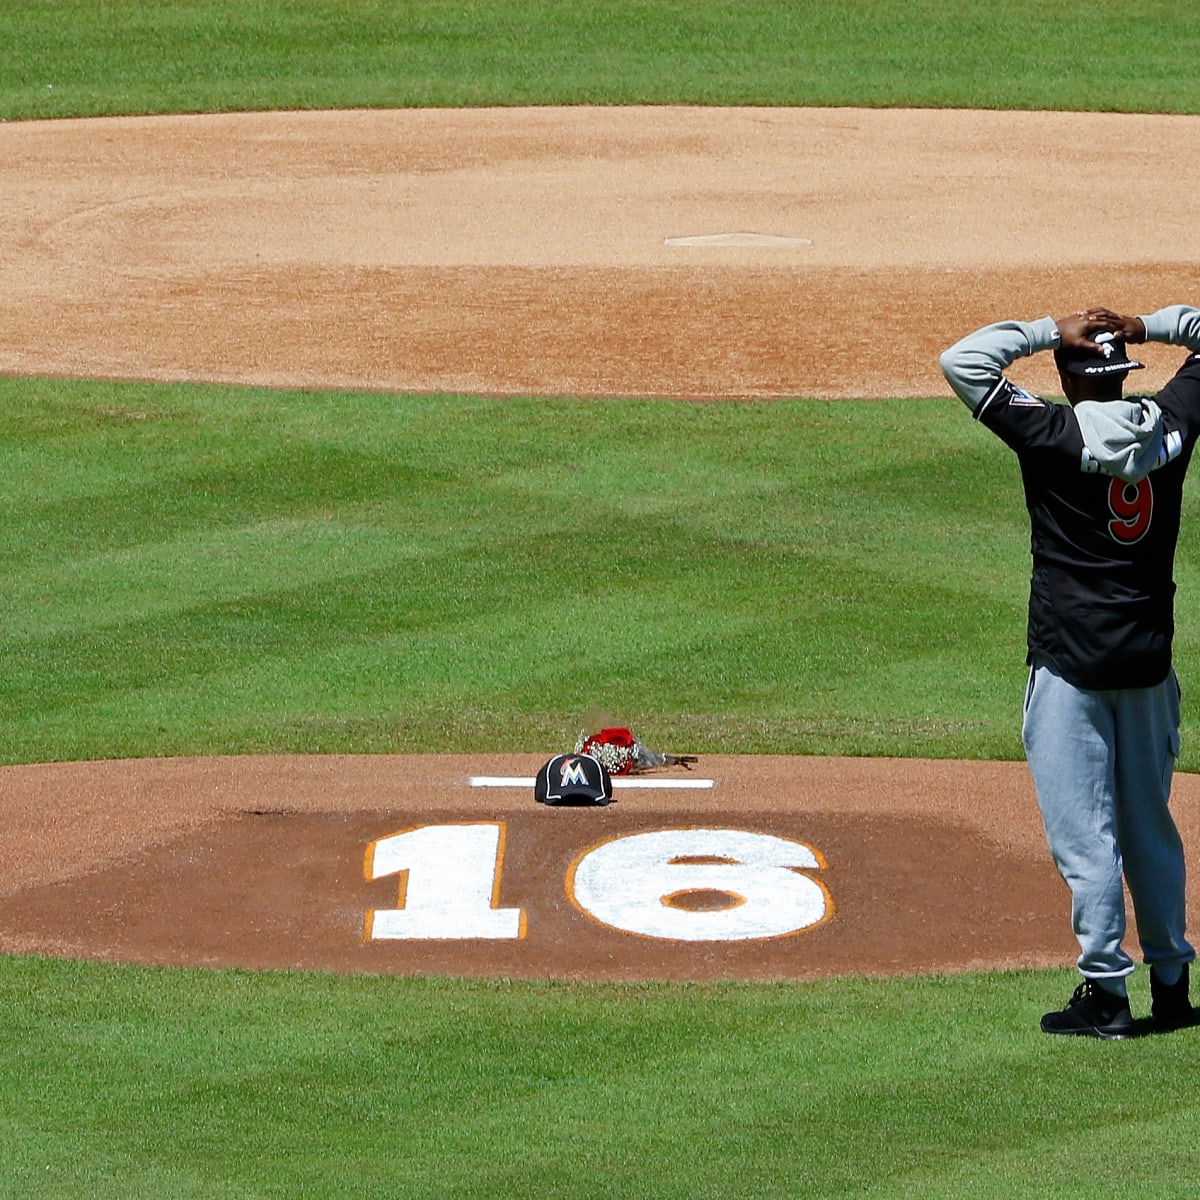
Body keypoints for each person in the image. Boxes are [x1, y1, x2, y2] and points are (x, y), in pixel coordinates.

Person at [940, 303, 1200, 1038]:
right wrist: (1145, 323)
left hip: (1070, 664)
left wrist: (1051, 330)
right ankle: (1173, 985)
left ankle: (1107, 994)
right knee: (1150, 823)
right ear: (1122, 378)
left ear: (1069, 375)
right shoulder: (1171, 427)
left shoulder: (1050, 433)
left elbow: (964, 362)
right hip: (1149, 662)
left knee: (1087, 836)